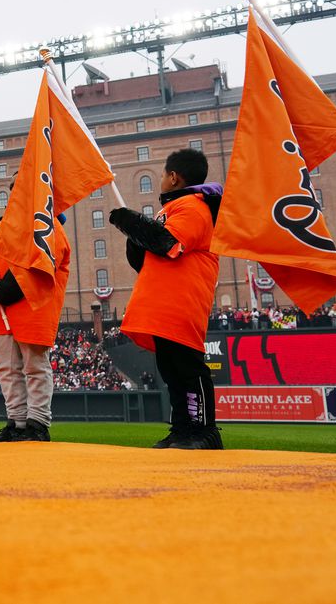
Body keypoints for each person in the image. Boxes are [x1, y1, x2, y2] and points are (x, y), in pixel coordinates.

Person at [110, 148, 223, 450]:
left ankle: (204, 431)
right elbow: (144, 257)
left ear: (173, 177)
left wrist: (131, 223)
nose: (161, 179)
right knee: (171, 370)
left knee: (188, 368)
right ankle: (182, 428)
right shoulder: (173, 209)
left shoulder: (192, 206)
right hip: (162, 301)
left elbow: (167, 244)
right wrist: (135, 233)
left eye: (162, 174)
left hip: (181, 299)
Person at [0, 211, 68, 443]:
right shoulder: (0, 226)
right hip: (0, 310)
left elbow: (46, 260)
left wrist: (9, 288)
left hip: (31, 306)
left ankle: (37, 424)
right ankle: (17, 422)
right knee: (6, 369)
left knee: (34, 366)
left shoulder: (48, 222)